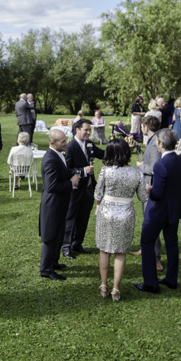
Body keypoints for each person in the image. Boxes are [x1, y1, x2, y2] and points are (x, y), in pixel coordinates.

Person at [135, 128, 181, 293]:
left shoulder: (160, 165)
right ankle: (171, 279)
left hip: (158, 211)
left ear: (161, 144)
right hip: (175, 208)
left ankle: (151, 283)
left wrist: (149, 189)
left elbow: (158, 193)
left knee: (147, 241)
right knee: (172, 243)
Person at [95, 139, 147, 301]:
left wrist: (100, 204)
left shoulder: (105, 170)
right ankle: (116, 288)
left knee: (104, 249)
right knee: (120, 251)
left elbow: (97, 194)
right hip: (125, 214)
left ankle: (104, 285)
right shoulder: (136, 172)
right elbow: (143, 197)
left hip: (106, 212)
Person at [39, 128, 80, 280]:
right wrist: (70, 183)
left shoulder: (58, 154)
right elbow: (51, 186)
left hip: (60, 203)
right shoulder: (50, 159)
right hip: (52, 205)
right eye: (63, 141)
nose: (66, 144)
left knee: (58, 234)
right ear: (52, 143)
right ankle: (46, 269)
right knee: (51, 237)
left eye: (65, 140)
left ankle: (54, 261)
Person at [62, 118, 106, 259]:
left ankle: (77, 243)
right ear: (77, 129)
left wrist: (118, 148)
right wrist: (83, 171)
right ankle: (66, 246)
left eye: (89, 129)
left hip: (88, 188)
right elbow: (66, 170)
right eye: (86, 129)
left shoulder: (89, 144)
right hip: (75, 189)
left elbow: (103, 154)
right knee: (71, 217)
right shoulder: (70, 147)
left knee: (84, 217)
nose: (89, 132)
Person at [135, 115, 163, 269]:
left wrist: (140, 165)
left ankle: (155, 257)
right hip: (146, 186)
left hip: (151, 188)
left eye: (142, 127)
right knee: (147, 220)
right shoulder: (152, 141)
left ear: (146, 127)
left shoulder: (154, 144)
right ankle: (145, 248)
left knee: (151, 222)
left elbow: (155, 168)